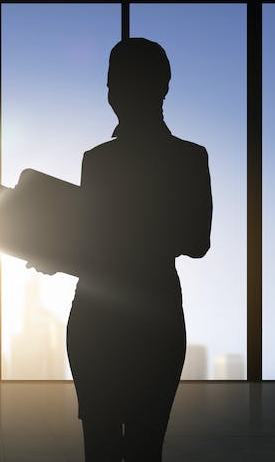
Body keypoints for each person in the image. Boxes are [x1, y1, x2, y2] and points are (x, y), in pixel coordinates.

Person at [64, 37, 212, 461]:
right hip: (151, 310)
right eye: (113, 82)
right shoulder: (185, 157)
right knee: (139, 445)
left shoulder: (101, 160)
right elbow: (195, 242)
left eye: (120, 82)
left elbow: (198, 243)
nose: (114, 92)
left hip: (102, 313)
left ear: (160, 87)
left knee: (105, 446)